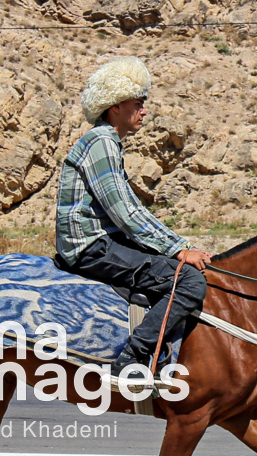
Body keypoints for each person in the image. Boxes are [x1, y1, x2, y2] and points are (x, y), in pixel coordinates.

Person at [55, 56, 212, 380]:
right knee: (189, 279)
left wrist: (173, 247)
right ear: (115, 106)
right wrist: (180, 249)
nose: (144, 111)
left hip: (102, 240)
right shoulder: (101, 142)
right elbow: (126, 213)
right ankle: (132, 357)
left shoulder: (106, 142)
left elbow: (127, 211)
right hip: (90, 246)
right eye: (138, 104)